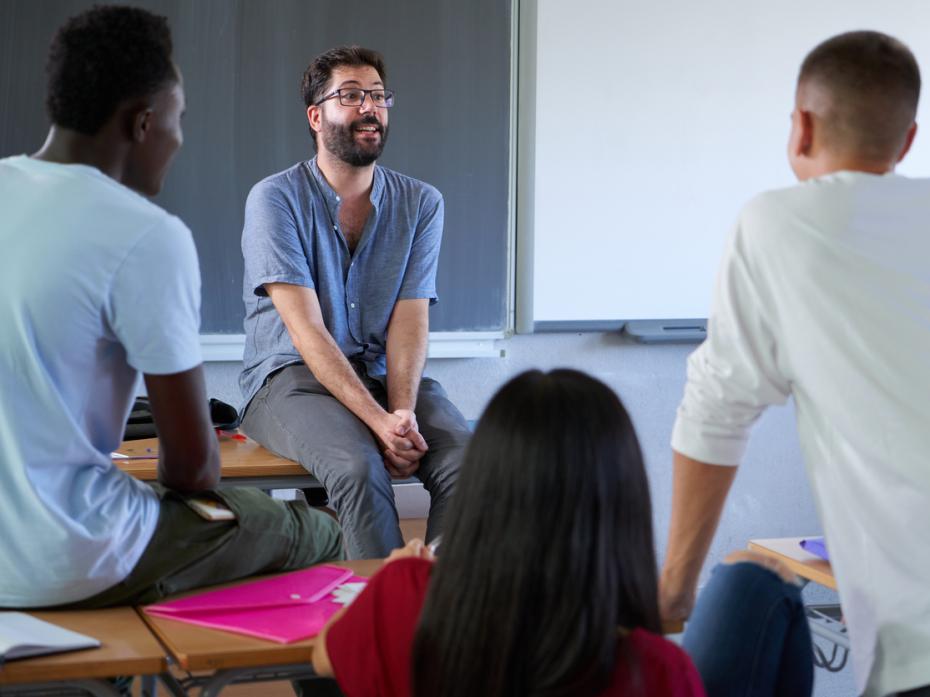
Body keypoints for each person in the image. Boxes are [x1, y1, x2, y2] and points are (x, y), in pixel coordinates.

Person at [0, 5, 341, 609]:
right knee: (316, 533)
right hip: (68, 558)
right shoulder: (146, 235)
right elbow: (192, 469)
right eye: (178, 119)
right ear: (141, 122)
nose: (179, 140)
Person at [660, 31, 930, 697]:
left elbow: (715, 414)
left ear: (802, 126)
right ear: (907, 140)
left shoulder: (778, 224)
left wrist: (674, 592)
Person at [309, 369, 813, 697]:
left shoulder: (405, 599)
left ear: (483, 490)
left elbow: (323, 655)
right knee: (757, 578)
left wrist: (394, 578)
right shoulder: (654, 672)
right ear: (621, 508)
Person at [239, 46, 470, 559]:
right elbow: (308, 332)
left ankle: (442, 611)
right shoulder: (274, 199)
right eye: (351, 95)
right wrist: (379, 421)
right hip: (290, 377)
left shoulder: (421, 202)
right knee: (358, 468)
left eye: (378, 96)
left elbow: (410, 320)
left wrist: (403, 412)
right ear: (316, 116)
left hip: (385, 376)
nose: (370, 107)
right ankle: (379, 625)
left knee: (468, 464)